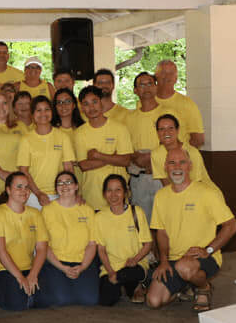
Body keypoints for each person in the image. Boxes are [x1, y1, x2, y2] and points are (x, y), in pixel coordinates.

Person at [147, 148, 236, 312]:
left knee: (185, 268)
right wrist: (164, 261)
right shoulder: (161, 196)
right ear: (165, 167)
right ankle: (184, 286)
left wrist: (208, 250)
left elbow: (231, 226)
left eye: (182, 162)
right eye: (172, 163)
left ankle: (203, 288)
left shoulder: (206, 193)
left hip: (203, 257)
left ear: (190, 166)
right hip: (175, 260)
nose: (177, 167)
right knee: (154, 301)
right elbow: (161, 232)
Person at [0, 172, 49, 311]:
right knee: (17, 304)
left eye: (26, 187)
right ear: (8, 190)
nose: (24, 191)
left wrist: (33, 274)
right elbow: (0, 251)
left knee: (46, 299)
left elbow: (42, 248)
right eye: (19, 187)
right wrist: (20, 278)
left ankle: (26, 294)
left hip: (27, 268)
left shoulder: (35, 214)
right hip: (1, 270)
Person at [36, 171, 100, 307]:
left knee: (90, 300)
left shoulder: (87, 210)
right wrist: (63, 267)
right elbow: (44, 245)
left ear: (76, 186)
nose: (64, 185)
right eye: (60, 183)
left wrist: (82, 267)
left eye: (68, 182)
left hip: (82, 262)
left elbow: (92, 243)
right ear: (56, 188)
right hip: (55, 263)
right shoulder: (47, 210)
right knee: (62, 300)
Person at [123, 73, 179, 219]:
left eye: (150, 83)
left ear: (156, 87)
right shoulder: (129, 117)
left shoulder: (168, 112)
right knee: (142, 225)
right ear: (135, 90)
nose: (146, 88)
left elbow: (176, 144)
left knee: (166, 222)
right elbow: (126, 148)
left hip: (164, 177)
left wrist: (152, 159)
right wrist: (138, 159)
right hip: (139, 178)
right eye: (142, 84)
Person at [94, 175, 151, 306]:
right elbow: (101, 250)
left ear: (125, 192)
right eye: (109, 190)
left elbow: (148, 244)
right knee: (105, 301)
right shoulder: (99, 217)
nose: (113, 195)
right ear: (104, 194)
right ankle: (127, 287)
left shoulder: (136, 212)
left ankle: (134, 285)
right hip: (111, 267)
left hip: (134, 265)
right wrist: (110, 272)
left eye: (118, 190)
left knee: (128, 274)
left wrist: (135, 259)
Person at [75, 85, 133, 210]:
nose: (91, 107)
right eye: (86, 104)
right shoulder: (79, 133)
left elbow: (126, 160)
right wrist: (113, 157)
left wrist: (98, 155)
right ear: (82, 108)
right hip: (92, 198)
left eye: (94, 102)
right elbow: (84, 165)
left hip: (118, 198)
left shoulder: (120, 128)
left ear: (102, 102)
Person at [16, 96, 75, 209]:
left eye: (47, 109)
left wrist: (70, 193)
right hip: (33, 196)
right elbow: (24, 172)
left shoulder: (63, 137)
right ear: (32, 115)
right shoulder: (26, 139)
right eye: (39, 110)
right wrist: (38, 193)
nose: (43, 113)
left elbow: (68, 169)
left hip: (60, 194)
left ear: (52, 112)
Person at [154, 60, 204, 147]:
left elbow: (198, 139)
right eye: (163, 72)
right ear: (155, 76)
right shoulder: (145, 102)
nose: (167, 76)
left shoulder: (187, 104)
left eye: (171, 73)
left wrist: (178, 155)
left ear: (176, 78)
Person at [151, 114, 210, 187]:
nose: (166, 132)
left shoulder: (192, 152)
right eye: (162, 129)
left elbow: (196, 184)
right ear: (157, 132)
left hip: (203, 192)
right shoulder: (156, 154)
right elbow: (167, 185)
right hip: (178, 192)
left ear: (177, 130)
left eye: (171, 128)